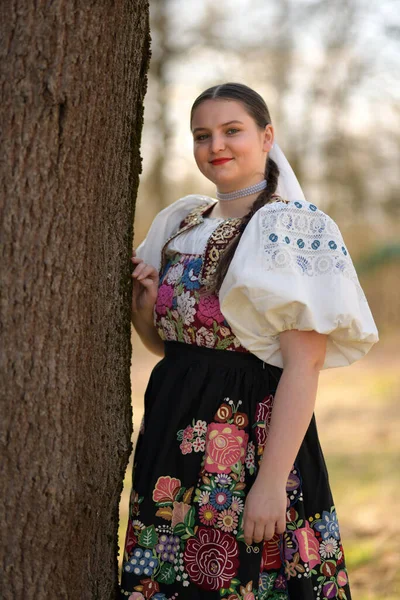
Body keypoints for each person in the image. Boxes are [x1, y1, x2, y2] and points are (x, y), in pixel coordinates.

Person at [119, 82, 378, 600]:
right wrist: (144, 307)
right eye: (202, 135)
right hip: (172, 435)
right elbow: (169, 350)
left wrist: (271, 485)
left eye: (231, 130)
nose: (216, 145)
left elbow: (303, 366)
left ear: (266, 137)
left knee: (246, 581)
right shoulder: (179, 223)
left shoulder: (291, 229)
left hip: (250, 445)